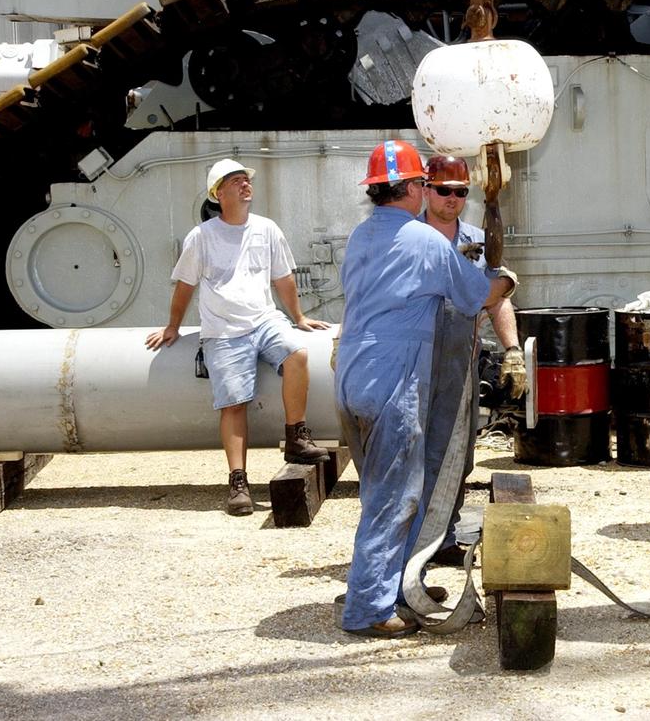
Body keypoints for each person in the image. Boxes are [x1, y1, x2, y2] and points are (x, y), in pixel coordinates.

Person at [335, 140, 517, 638]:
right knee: (395, 497)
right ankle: (369, 609)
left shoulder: (360, 237)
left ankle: (398, 585)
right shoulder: (426, 242)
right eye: (427, 184)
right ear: (415, 188)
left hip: (352, 371)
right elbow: (478, 295)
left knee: (383, 488)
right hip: (394, 375)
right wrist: (505, 281)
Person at [146, 158, 332, 516]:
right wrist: (172, 326)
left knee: (298, 354)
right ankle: (238, 482)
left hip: (264, 320)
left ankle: (296, 436)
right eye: (235, 181)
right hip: (223, 331)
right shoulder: (201, 237)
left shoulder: (267, 229)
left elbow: (283, 278)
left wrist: (298, 317)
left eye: (245, 179)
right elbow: (186, 285)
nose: (245, 184)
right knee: (233, 404)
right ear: (218, 194)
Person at [419, 155, 528, 568]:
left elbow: (498, 297)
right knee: (413, 450)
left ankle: (444, 537)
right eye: (443, 190)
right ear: (425, 189)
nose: (452, 199)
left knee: (458, 452)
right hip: (415, 358)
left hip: (460, 358)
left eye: (460, 192)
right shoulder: (409, 237)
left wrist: (513, 351)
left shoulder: (477, 241)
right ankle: (410, 541)